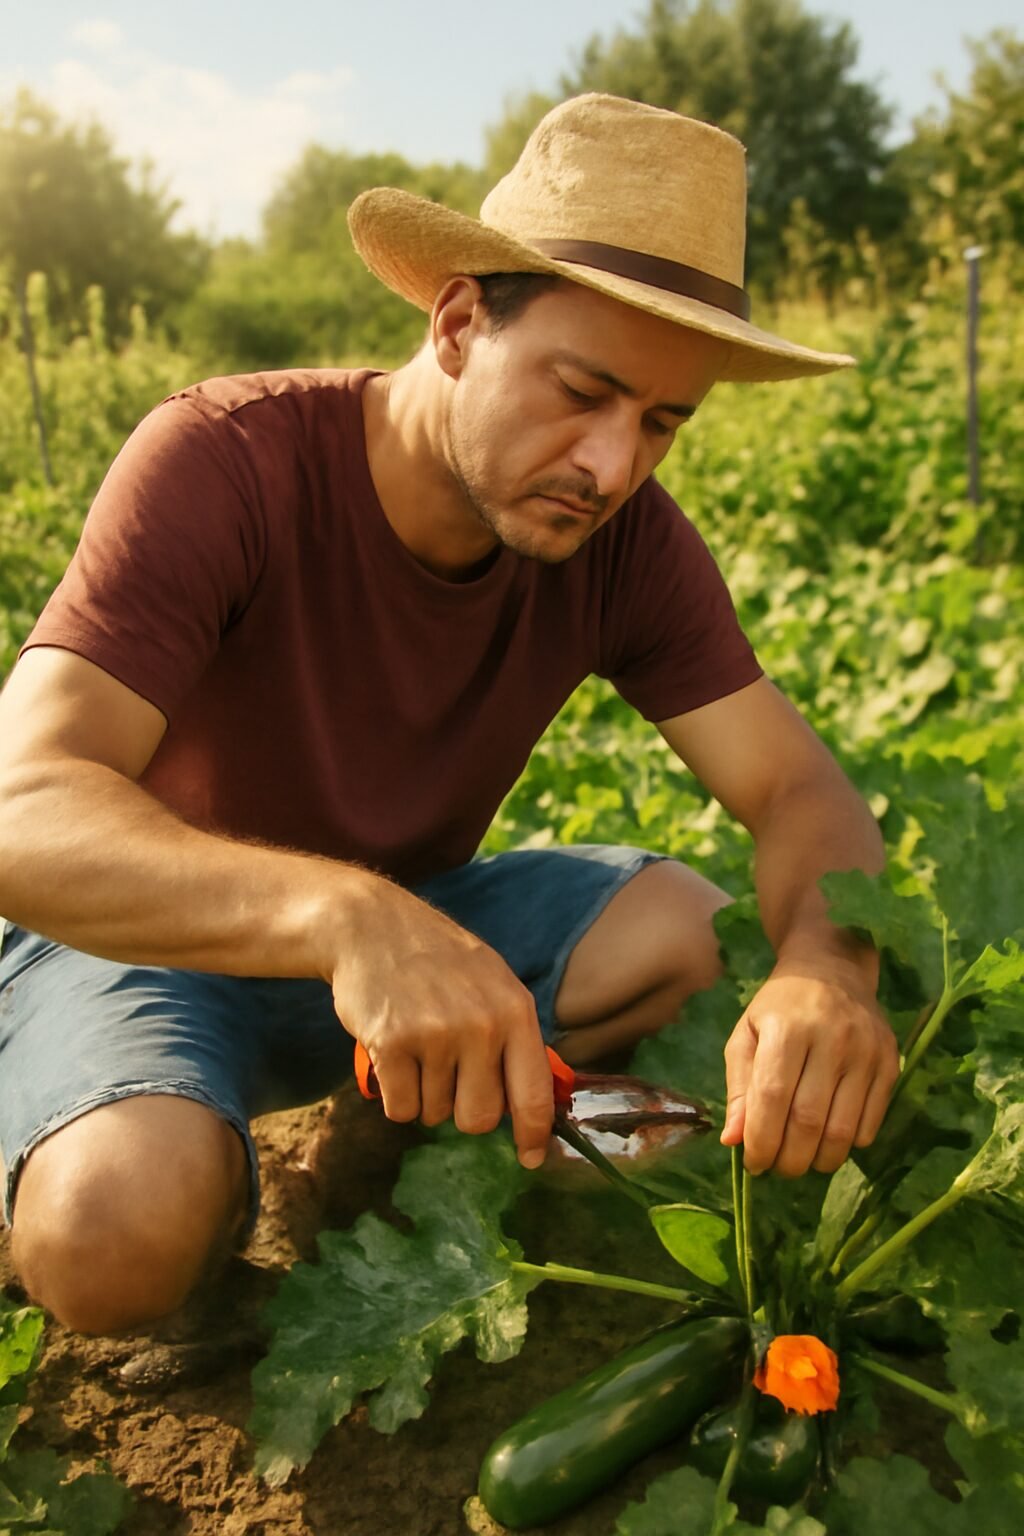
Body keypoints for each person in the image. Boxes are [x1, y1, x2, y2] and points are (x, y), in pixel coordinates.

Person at [0, 94, 899, 1337]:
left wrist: (827, 974)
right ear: (462, 321)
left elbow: (801, 794)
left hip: (407, 944)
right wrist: (343, 913)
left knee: (702, 936)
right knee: (111, 1233)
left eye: (660, 423)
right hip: (148, 941)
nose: (611, 465)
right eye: (583, 392)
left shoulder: (624, 543)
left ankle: (387, 1130)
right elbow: (23, 813)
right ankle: (153, 1147)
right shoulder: (225, 462)